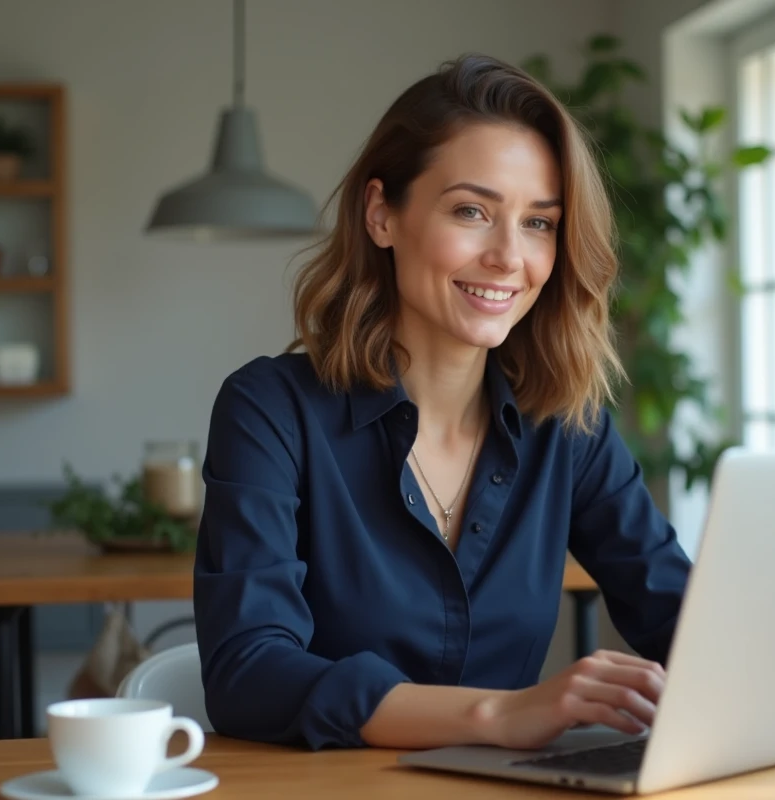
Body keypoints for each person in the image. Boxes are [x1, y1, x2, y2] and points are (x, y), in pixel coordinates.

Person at [192, 53, 692, 753]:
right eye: (471, 211)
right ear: (381, 215)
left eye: (539, 223)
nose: (508, 257)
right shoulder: (269, 411)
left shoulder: (565, 425)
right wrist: (498, 715)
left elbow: (682, 615)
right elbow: (247, 671)